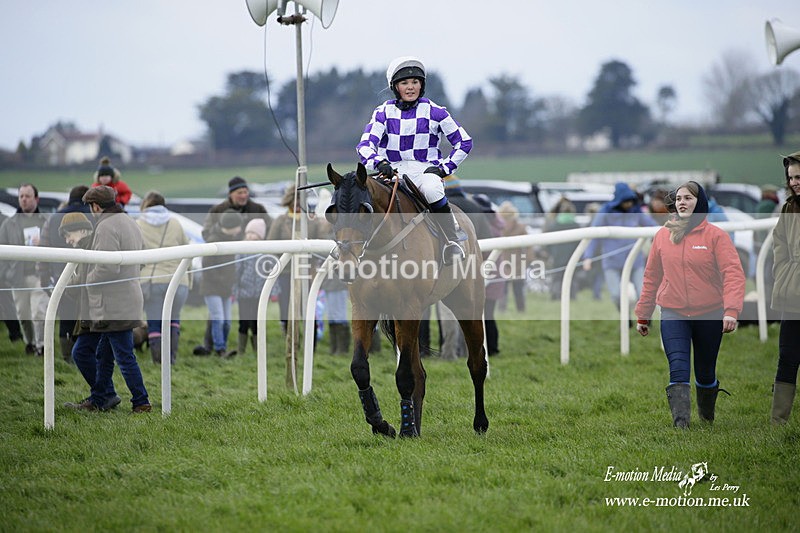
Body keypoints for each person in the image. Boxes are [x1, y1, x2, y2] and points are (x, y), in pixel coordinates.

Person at [635, 181, 745, 428]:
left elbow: (733, 274)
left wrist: (731, 310)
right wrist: (643, 314)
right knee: (678, 367)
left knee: (705, 372)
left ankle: (706, 418)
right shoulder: (662, 236)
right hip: (673, 312)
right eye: (679, 198)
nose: (682, 202)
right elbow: (651, 277)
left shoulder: (717, 236)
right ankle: (681, 423)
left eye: (689, 198)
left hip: (710, 313)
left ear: (700, 203)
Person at [356, 56, 473, 265]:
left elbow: (464, 142)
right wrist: (379, 162)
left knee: (432, 190)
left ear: (422, 85)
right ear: (395, 87)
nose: (410, 87)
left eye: (415, 82)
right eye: (404, 83)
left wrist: (443, 168)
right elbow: (364, 146)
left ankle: (452, 240)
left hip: (424, 172)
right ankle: (356, 247)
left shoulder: (437, 111)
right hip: (391, 173)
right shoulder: (382, 112)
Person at [76, 186, 151, 413]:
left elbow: (106, 268)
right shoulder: (129, 222)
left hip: (112, 302)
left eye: (91, 207)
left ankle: (141, 401)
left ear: (96, 205)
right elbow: (143, 255)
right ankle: (100, 398)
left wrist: (87, 279)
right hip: (128, 296)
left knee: (124, 356)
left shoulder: (106, 226)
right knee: (104, 354)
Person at [59, 212, 122, 412]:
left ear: (82, 230)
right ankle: (103, 396)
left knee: (81, 353)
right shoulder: (87, 247)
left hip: (97, 311)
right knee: (93, 354)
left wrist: (66, 285)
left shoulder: (90, 248)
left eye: (69, 235)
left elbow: (87, 281)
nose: (68, 240)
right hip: (95, 311)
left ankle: (105, 395)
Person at [267, 184, 324, 387]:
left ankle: (311, 346)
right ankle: (290, 343)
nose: (298, 206)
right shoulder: (280, 221)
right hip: (286, 274)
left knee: (310, 311)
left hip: (308, 273)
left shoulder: (312, 221)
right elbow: (271, 244)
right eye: (295, 202)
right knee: (287, 310)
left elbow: (321, 243)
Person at [582, 182, 658, 318]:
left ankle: (645, 317)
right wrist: (588, 257)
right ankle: (625, 316)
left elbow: (652, 227)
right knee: (616, 294)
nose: (629, 204)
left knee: (642, 293)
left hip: (635, 260)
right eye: (626, 201)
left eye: (630, 201)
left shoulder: (636, 211)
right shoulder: (605, 212)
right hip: (612, 262)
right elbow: (594, 235)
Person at [37, 184, 91, 362]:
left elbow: (43, 250)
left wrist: (44, 278)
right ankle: (88, 354)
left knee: (66, 318)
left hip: (61, 278)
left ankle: (67, 356)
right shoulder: (95, 217)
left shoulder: (52, 219)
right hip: (90, 278)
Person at [136, 191, 191, 364]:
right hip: (178, 281)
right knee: (173, 319)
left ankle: (158, 362)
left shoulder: (139, 224)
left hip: (152, 282)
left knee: (154, 323)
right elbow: (187, 248)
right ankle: (171, 359)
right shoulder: (175, 223)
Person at [0, 183, 49, 355]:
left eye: (28, 196)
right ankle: (29, 343)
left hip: (39, 274)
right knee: (23, 314)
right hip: (17, 276)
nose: (24, 199)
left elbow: (55, 246)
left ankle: (41, 346)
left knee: (39, 312)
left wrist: (42, 244)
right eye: (21, 196)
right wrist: (5, 273)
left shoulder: (46, 221)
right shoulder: (9, 224)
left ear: (36, 199)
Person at [769, 151, 800, 424]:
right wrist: (783, 275)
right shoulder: (788, 208)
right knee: (787, 356)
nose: (795, 182)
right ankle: (778, 421)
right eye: (791, 178)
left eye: (799, 176)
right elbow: (780, 246)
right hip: (793, 296)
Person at [201, 209, 244, 358]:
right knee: (218, 318)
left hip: (226, 288)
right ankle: (220, 349)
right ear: (231, 226)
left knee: (227, 322)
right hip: (212, 288)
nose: (240, 229)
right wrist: (222, 280)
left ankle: (222, 346)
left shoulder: (233, 240)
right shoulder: (213, 240)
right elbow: (206, 265)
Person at [234, 218, 268, 356]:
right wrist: (236, 288)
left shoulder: (266, 251)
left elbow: (269, 271)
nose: (250, 236)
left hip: (259, 293)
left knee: (256, 322)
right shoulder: (242, 250)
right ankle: (241, 349)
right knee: (243, 321)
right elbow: (237, 270)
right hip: (244, 292)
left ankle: (257, 350)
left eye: (253, 233)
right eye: (248, 233)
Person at [498, 201, 533, 312]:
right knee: (506, 289)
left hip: (512, 262)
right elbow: (529, 246)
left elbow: (528, 246)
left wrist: (528, 260)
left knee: (513, 289)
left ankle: (517, 309)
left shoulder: (520, 228)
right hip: (508, 262)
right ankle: (508, 310)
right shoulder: (500, 228)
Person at [543, 197, 581, 301]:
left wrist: (550, 252)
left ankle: (556, 296)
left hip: (557, 256)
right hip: (572, 256)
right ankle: (572, 297)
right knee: (572, 278)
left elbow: (548, 242)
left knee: (557, 278)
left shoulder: (554, 225)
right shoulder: (576, 226)